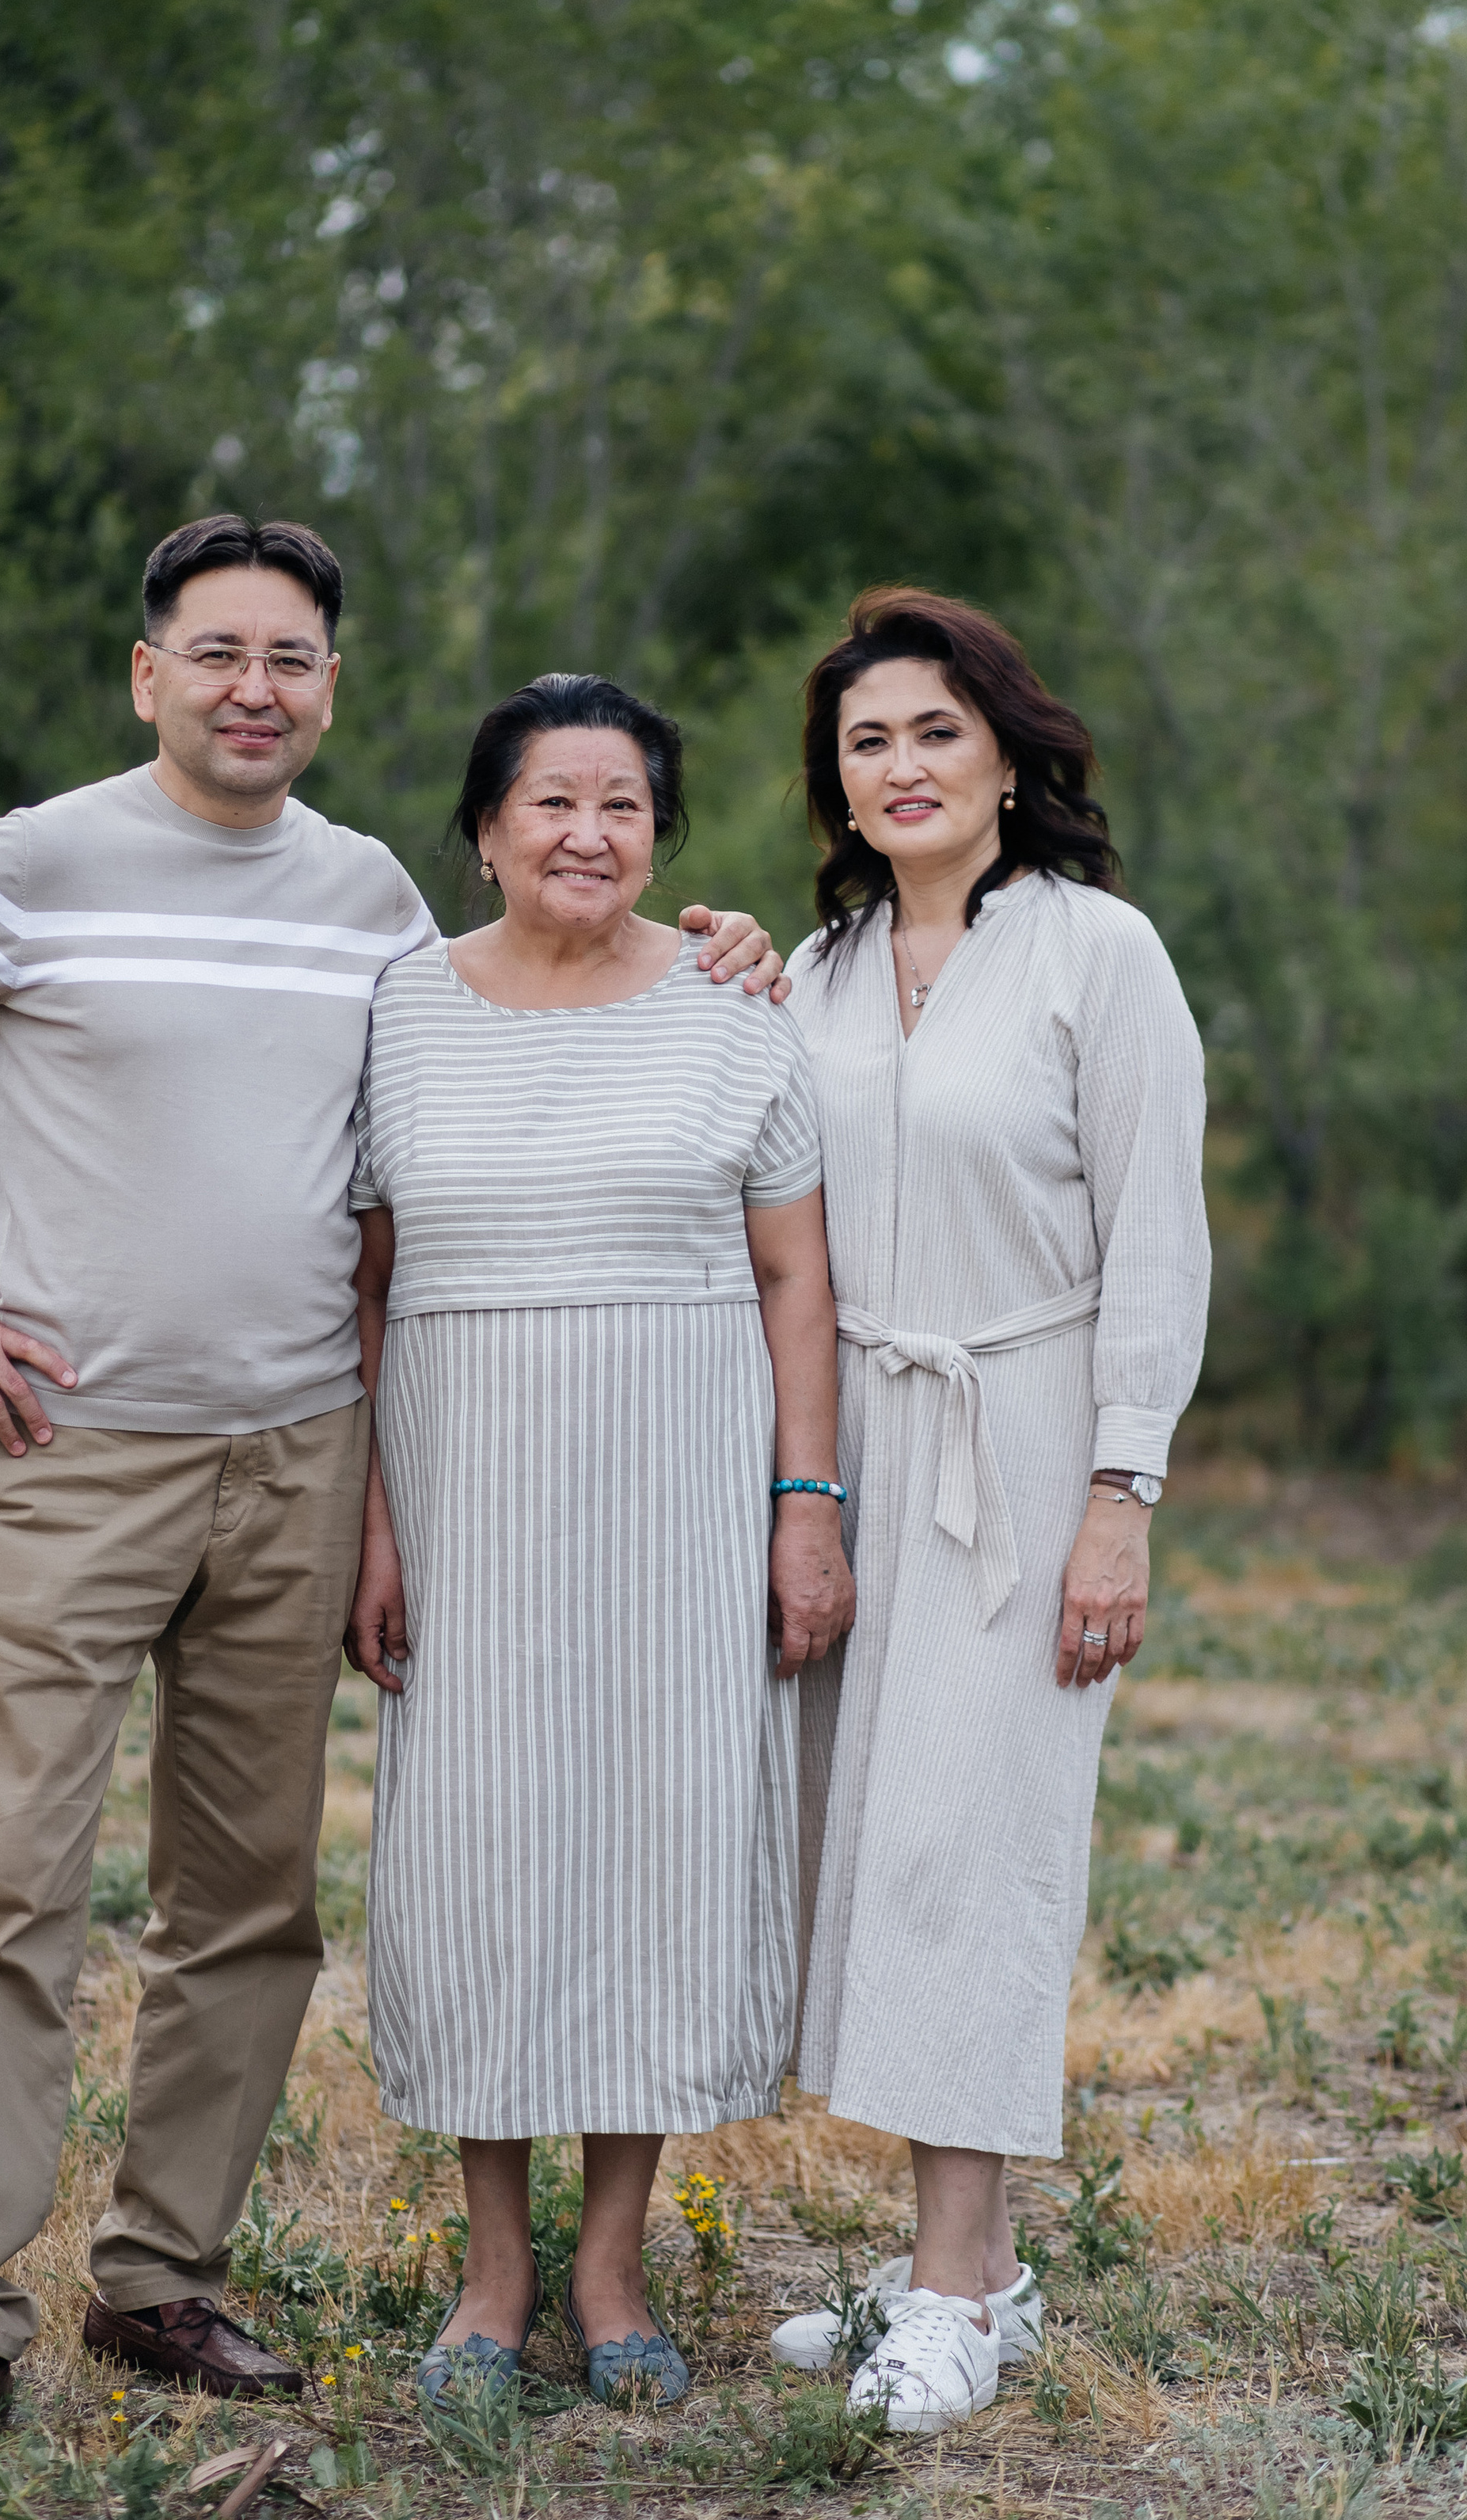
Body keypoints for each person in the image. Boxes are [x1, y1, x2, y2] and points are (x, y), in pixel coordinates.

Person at [0, 516, 783, 2458]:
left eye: (292, 658)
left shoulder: (370, 896)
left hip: (302, 1449)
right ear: (148, 675)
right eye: (216, 651)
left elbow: (522, 1019)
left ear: (329, 687)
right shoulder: (32, 863)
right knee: (13, 1888)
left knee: (244, 1908)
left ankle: (163, 2282)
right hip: (74, 1451)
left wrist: (712, 938)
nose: (254, 687)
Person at [342, 673, 852, 2409]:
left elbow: (796, 1279)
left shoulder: (731, 1007)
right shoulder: (396, 1011)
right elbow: (366, 1282)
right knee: (478, 1862)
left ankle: (613, 2265)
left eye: (622, 804)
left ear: (661, 837)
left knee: (649, 1851)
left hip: (681, 1492)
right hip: (467, 1488)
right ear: (483, 830)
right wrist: (372, 1524)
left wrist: (804, 1508)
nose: (585, 832)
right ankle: (489, 2281)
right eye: (550, 800)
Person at [768, 587, 1208, 2435]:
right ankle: (977, 2274)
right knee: (864, 1853)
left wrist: (1120, 1491)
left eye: (933, 731)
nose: (900, 766)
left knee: (970, 1853)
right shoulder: (812, 973)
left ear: (1010, 757)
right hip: (843, 1425)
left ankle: (951, 2294)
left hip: (1016, 1439)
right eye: (866, 740)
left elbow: (1156, 1235)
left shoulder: (1094, 954)